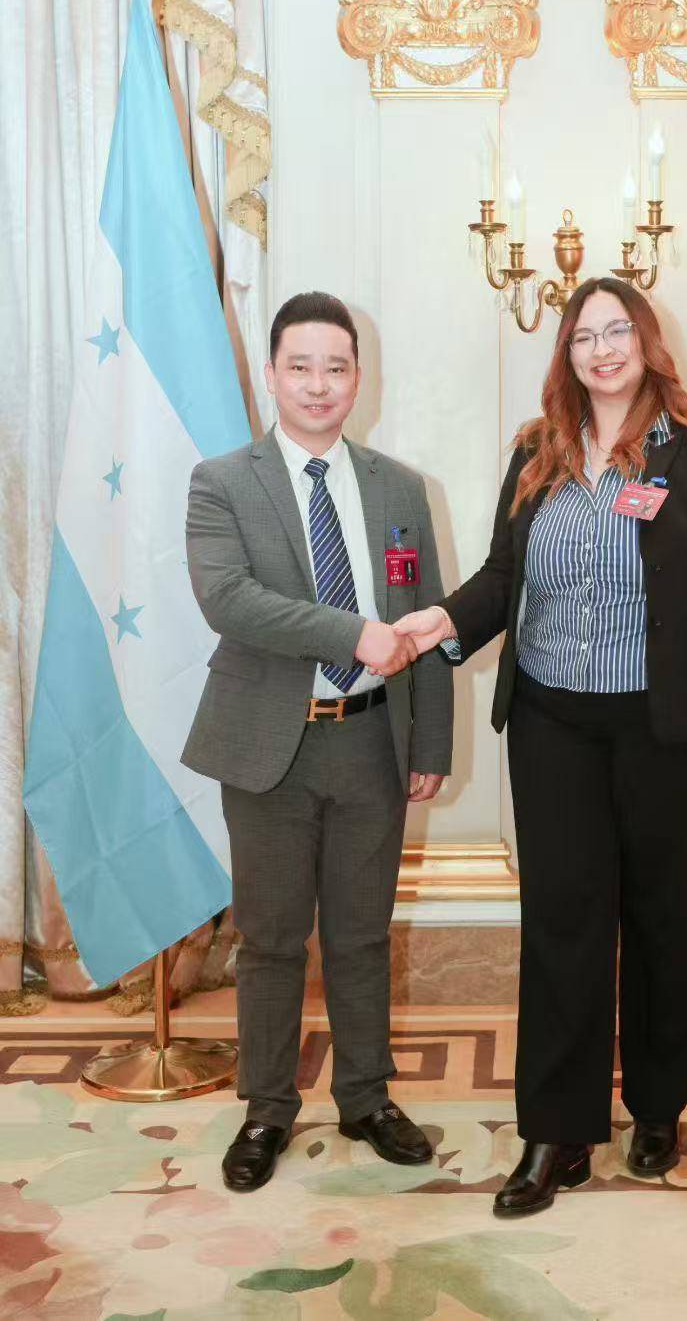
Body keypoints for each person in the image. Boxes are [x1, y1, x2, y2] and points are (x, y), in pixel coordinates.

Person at [395, 276, 687, 1216]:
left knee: (662, 917)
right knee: (562, 923)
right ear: (566, 354)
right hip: (553, 723)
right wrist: (441, 623)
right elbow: (504, 575)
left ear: (648, 341)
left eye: (618, 331)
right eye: (584, 336)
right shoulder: (538, 450)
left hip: (672, 730)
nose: (602, 350)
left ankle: (656, 1107)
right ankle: (557, 1131)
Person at [183, 291, 452, 1192]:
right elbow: (230, 601)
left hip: (372, 745)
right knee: (269, 941)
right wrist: (351, 634)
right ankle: (266, 1109)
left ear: (357, 378)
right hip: (270, 747)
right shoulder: (223, 481)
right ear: (272, 375)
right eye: (299, 366)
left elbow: (428, 622)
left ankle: (366, 1099)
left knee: (362, 936)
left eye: (336, 367)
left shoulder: (400, 488)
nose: (318, 384)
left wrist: (432, 743)